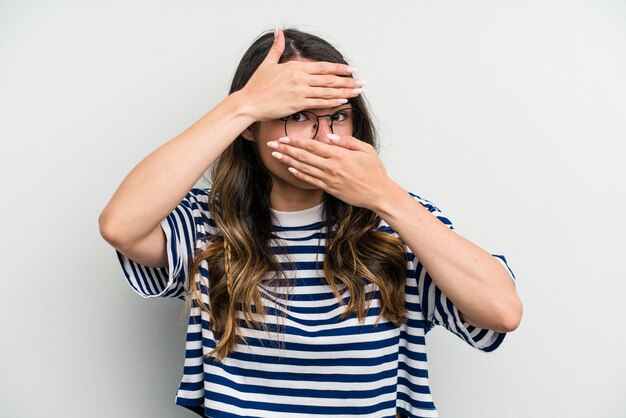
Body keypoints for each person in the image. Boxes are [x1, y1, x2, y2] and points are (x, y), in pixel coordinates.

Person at [99, 26, 522, 418]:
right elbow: (121, 226)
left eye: (338, 116)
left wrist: (385, 196)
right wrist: (242, 104)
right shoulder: (207, 225)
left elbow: (501, 311)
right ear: (251, 128)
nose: (323, 137)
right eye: (298, 115)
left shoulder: (398, 225)